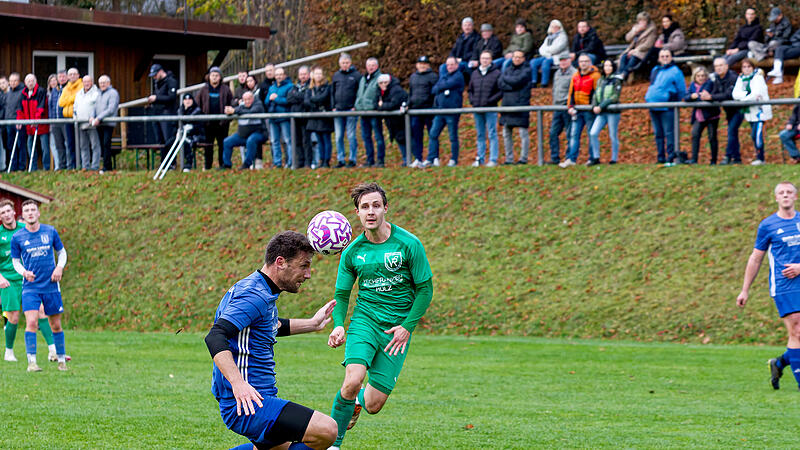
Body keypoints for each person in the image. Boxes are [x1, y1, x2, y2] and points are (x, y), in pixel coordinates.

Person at [204, 231, 338, 450]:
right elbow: (215, 336)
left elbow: (269, 325)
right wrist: (238, 384)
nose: (308, 275)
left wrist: (313, 324)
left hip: (258, 397)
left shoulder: (260, 288)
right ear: (280, 262)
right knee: (327, 430)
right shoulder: (254, 295)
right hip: (248, 403)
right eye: (303, 266)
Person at [327, 182, 433, 449]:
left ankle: (357, 402)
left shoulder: (409, 244)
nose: (371, 211)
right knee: (353, 380)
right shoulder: (352, 252)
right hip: (365, 321)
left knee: (374, 404)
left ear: (386, 208)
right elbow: (342, 295)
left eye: (376, 205)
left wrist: (407, 327)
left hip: (396, 330)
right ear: (357, 213)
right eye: (365, 207)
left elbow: (425, 290)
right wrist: (338, 325)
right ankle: (332, 444)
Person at [737, 181, 800, 392]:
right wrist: (745, 289)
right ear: (776, 198)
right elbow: (756, 258)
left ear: (795, 196)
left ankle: (779, 363)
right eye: (781, 192)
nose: (785, 195)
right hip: (784, 286)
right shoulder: (768, 225)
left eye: (789, 192)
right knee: (797, 330)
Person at [11, 200, 68, 372]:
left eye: (33, 210)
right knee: (32, 321)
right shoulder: (18, 237)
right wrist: (24, 272)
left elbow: (62, 252)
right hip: (31, 287)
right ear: (23, 215)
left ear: (38, 213)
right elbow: (15, 261)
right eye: (27, 210)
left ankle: (61, 360)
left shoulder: (50, 231)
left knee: (55, 325)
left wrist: (59, 267)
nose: (30, 213)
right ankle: (32, 363)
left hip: (51, 286)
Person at [1, 200, 57, 363]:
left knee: (41, 311)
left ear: (14, 212)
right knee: (13, 316)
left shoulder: (24, 229)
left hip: (28, 278)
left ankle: (53, 350)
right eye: (2, 213)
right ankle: (9, 352)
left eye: (8, 211)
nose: (6, 215)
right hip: (8, 280)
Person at [645, 49, 687, 165]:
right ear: (659, 58)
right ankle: (660, 157)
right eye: (662, 56)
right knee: (658, 133)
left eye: (667, 56)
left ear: (671, 57)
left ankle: (671, 156)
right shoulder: (655, 69)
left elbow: (681, 89)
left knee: (669, 133)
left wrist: (674, 100)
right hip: (653, 106)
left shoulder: (675, 71)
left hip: (667, 107)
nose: (665, 58)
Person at [423, 56, 464, 168]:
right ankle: (431, 158)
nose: (449, 67)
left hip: (452, 111)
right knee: (433, 134)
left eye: (452, 64)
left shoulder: (458, 76)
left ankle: (454, 159)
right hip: (440, 111)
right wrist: (441, 86)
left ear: (457, 65)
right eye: (448, 65)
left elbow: (444, 85)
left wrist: (441, 86)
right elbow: (434, 89)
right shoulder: (444, 76)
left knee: (453, 137)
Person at [560, 54, 600, 167]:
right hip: (577, 109)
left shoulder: (595, 76)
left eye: (586, 61)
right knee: (574, 134)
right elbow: (571, 92)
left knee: (591, 134)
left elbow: (597, 93)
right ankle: (571, 159)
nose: (583, 63)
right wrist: (570, 106)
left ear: (590, 63)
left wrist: (593, 106)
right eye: (581, 61)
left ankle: (592, 158)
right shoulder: (575, 76)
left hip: (589, 110)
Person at [701, 58, 742, 164]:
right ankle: (737, 158)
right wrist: (707, 95)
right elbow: (714, 92)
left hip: (739, 109)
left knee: (731, 131)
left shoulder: (733, 78)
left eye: (720, 65)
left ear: (726, 66)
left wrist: (711, 97)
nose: (718, 68)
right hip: (729, 110)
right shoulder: (716, 78)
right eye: (716, 66)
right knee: (733, 132)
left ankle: (728, 156)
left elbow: (728, 95)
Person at [732, 58, 772, 165]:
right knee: (753, 135)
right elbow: (735, 94)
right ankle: (759, 157)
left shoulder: (758, 78)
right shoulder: (741, 78)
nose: (746, 69)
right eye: (744, 67)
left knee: (756, 135)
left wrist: (744, 97)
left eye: (749, 67)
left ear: (753, 67)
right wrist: (746, 95)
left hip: (759, 111)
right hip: (749, 112)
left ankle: (761, 158)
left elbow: (756, 94)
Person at [467, 50, 502, 167]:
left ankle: (493, 159)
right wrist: (473, 101)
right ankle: (480, 158)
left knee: (492, 133)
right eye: (483, 58)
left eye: (487, 58)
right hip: (477, 108)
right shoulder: (475, 73)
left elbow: (500, 91)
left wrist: (490, 101)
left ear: (491, 60)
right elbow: (470, 90)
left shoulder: (497, 73)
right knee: (480, 134)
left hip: (490, 108)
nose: (485, 60)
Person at [196, 66, 234, 170]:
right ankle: (208, 166)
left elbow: (232, 103)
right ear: (209, 76)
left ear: (220, 77)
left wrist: (228, 116)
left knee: (222, 145)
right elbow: (198, 105)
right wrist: (201, 118)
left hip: (222, 123)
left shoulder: (226, 89)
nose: (214, 77)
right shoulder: (203, 90)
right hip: (208, 123)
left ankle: (223, 164)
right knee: (208, 145)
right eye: (212, 75)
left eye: (217, 75)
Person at [498, 50, 532, 165]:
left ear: (523, 58)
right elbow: (500, 83)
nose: (517, 59)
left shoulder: (527, 70)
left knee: (523, 133)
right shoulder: (508, 69)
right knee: (506, 133)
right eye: (515, 57)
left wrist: (506, 80)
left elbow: (517, 81)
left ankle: (523, 158)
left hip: (521, 104)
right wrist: (512, 85)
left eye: (519, 57)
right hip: (507, 104)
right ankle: (509, 159)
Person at [589, 59, 623, 165]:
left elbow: (615, 96)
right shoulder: (600, 80)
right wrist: (594, 106)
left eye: (610, 66)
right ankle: (596, 157)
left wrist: (601, 106)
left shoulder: (617, 80)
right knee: (593, 133)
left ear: (613, 67)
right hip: (601, 112)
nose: (607, 68)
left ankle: (614, 158)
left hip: (612, 112)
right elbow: (595, 94)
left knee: (613, 135)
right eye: (606, 66)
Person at [684, 66, 720, 165]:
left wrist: (695, 97)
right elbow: (686, 97)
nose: (701, 78)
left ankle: (713, 160)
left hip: (711, 115)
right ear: (695, 77)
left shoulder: (709, 83)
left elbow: (704, 96)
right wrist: (692, 96)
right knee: (695, 134)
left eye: (703, 76)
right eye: (698, 76)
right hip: (699, 115)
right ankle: (694, 159)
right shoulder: (692, 85)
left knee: (712, 137)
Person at [222, 92, 266, 170]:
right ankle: (227, 164)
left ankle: (247, 164)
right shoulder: (241, 106)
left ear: (253, 98)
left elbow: (251, 112)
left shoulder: (258, 105)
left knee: (251, 140)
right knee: (227, 141)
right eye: (245, 99)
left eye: (249, 99)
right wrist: (229, 110)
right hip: (242, 135)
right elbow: (236, 110)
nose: (247, 101)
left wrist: (234, 111)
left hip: (259, 133)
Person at [331, 53, 361, 168]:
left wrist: (356, 106)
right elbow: (332, 92)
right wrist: (333, 106)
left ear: (350, 63)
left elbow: (359, 92)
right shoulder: (336, 75)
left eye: (347, 62)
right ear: (340, 63)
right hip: (338, 110)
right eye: (343, 63)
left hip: (351, 109)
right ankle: (341, 159)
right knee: (338, 136)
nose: (345, 65)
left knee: (351, 135)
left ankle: (352, 159)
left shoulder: (356, 75)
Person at [146, 64, 179, 168]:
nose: (154, 77)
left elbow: (172, 97)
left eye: (155, 75)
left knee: (168, 139)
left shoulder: (171, 81)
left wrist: (157, 98)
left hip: (168, 113)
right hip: (157, 113)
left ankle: (172, 163)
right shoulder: (157, 83)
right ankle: (164, 163)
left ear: (161, 72)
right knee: (160, 140)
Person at [408, 56, 437, 168]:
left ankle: (434, 157)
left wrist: (434, 107)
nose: (422, 66)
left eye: (424, 64)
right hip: (415, 110)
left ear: (428, 65)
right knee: (416, 135)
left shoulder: (433, 76)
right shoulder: (413, 77)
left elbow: (435, 93)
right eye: (420, 63)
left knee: (432, 134)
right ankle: (418, 158)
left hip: (428, 109)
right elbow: (411, 93)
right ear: (417, 65)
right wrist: (408, 104)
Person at [16, 74, 49, 171]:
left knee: (44, 148)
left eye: (32, 81)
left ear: (36, 81)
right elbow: (20, 109)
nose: (30, 83)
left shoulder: (41, 91)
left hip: (41, 126)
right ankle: (33, 167)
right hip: (29, 127)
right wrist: (19, 120)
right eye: (28, 81)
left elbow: (41, 107)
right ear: (25, 83)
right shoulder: (23, 94)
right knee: (30, 147)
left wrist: (36, 120)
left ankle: (46, 168)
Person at [354, 58, 384, 167]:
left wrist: (376, 105)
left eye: (373, 65)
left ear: (377, 66)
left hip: (374, 112)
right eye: (369, 65)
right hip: (363, 112)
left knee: (378, 136)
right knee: (366, 137)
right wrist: (357, 105)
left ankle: (380, 160)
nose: (371, 67)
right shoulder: (363, 78)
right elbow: (359, 93)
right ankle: (369, 159)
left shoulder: (380, 78)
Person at [375, 74, 408, 166]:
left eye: (385, 82)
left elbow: (393, 104)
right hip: (392, 121)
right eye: (381, 83)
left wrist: (382, 105)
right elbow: (375, 104)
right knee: (399, 139)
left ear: (389, 82)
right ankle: (406, 159)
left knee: (404, 138)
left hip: (400, 120)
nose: (383, 84)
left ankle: (408, 159)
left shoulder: (396, 89)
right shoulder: (379, 91)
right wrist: (381, 106)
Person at [549, 56, 577, 165]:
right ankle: (554, 157)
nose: (563, 63)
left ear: (570, 61)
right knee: (553, 133)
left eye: (565, 60)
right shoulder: (557, 73)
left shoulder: (574, 73)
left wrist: (571, 104)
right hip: (557, 107)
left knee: (569, 133)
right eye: (561, 61)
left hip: (567, 106)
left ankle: (569, 157)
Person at [305, 66, 334, 169]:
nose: (318, 76)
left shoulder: (327, 87)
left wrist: (313, 100)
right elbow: (306, 101)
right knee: (319, 140)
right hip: (315, 118)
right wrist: (314, 101)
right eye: (316, 73)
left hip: (325, 116)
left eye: (320, 74)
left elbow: (323, 98)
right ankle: (321, 159)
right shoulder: (310, 88)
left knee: (326, 139)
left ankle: (327, 160)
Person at [265, 67, 294, 169]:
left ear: (284, 75)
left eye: (280, 74)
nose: (279, 77)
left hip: (284, 117)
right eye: (277, 75)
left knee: (287, 140)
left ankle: (290, 162)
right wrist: (270, 99)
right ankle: (277, 162)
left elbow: (289, 101)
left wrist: (277, 99)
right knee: (274, 141)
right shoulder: (271, 88)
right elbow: (266, 102)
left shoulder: (290, 86)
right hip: (273, 118)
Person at [92, 75, 120, 173]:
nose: (102, 84)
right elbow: (94, 107)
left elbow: (111, 109)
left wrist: (99, 118)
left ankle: (107, 167)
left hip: (108, 123)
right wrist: (92, 117)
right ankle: (106, 166)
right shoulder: (98, 93)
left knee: (106, 144)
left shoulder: (113, 93)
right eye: (100, 83)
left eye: (104, 82)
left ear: (109, 83)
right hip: (98, 123)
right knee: (101, 144)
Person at [530, 20, 569, 88]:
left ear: (559, 28)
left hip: (558, 57)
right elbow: (541, 49)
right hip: (547, 56)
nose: (554, 28)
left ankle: (544, 83)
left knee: (546, 62)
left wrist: (546, 50)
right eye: (552, 27)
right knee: (533, 62)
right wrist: (547, 52)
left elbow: (556, 49)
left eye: (556, 27)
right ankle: (534, 81)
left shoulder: (563, 37)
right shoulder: (548, 37)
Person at [287, 66, 312, 168]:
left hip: (306, 117)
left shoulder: (310, 86)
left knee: (306, 141)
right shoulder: (294, 87)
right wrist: (300, 96)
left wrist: (296, 96)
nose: (303, 76)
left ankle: (308, 162)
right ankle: (299, 161)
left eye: (304, 74)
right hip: (295, 118)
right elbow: (289, 98)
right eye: (301, 74)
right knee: (297, 141)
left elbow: (307, 99)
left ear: (309, 74)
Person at [618, 12, 657, 78]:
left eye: (644, 20)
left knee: (634, 57)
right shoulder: (636, 27)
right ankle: (619, 74)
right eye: (640, 20)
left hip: (643, 51)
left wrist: (636, 50)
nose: (641, 22)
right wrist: (635, 31)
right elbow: (627, 38)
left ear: (647, 21)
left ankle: (624, 74)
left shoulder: (652, 29)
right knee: (624, 56)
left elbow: (648, 44)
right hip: (632, 50)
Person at [74, 75, 101, 171]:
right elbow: (75, 107)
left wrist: (95, 117)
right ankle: (85, 166)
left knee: (95, 146)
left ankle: (95, 166)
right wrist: (75, 118)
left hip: (92, 124)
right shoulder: (79, 94)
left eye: (88, 81)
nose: (86, 84)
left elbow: (98, 107)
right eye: (85, 82)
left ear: (92, 82)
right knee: (83, 146)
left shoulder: (96, 93)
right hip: (81, 124)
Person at [58, 68, 81, 169]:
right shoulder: (66, 88)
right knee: (70, 143)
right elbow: (61, 102)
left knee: (79, 143)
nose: (72, 76)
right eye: (70, 74)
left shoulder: (81, 85)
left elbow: (78, 98)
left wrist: (68, 99)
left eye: (74, 74)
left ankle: (80, 164)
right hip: (67, 118)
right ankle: (72, 165)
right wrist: (71, 99)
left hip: (77, 118)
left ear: (78, 75)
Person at [177, 93, 205, 171]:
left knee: (186, 143)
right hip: (181, 134)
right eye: (185, 99)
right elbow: (175, 124)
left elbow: (200, 127)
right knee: (169, 143)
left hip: (196, 135)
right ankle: (169, 165)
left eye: (189, 99)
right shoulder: (180, 111)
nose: (187, 101)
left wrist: (191, 128)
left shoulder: (197, 111)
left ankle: (188, 165)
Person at [4, 73, 27, 171]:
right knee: (10, 145)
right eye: (11, 81)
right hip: (8, 122)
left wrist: (20, 120)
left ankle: (21, 167)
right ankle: (13, 167)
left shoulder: (23, 92)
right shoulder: (8, 93)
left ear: (18, 81)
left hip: (19, 123)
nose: (12, 83)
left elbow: (23, 108)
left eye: (15, 81)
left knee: (20, 145)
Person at [48, 71, 68, 170]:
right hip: (55, 123)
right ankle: (61, 165)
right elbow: (51, 107)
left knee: (68, 144)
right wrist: (51, 121)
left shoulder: (68, 89)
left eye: (63, 77)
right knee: (59, 145)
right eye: (60, 77)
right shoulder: (54, 91)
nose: (62, 79)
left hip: (65, 122)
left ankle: (70, 165)